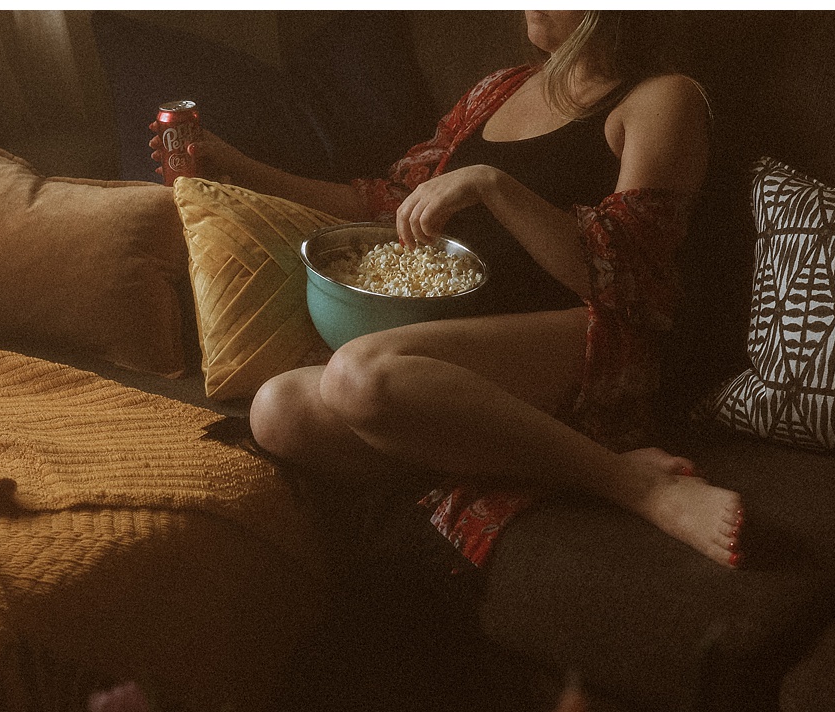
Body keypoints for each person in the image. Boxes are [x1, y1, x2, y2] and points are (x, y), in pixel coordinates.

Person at [150, 11, 744, 568]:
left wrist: (492, 185)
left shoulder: (663, 98)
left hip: (586, 336)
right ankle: (520, 457)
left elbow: (634, 283)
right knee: (278, 411)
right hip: (460, 343)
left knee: (360, 376)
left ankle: (634, 484)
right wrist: (232, 167)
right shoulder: (503, 89)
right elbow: (385, 204)